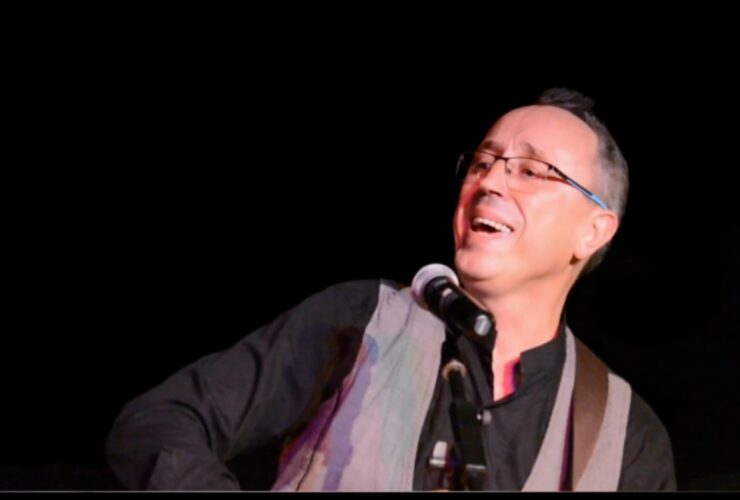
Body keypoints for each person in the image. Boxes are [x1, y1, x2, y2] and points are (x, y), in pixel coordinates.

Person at [105, 88, 676, 491]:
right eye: (483, 162)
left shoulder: (627, 434)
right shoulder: (362, 321)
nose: (490, 182)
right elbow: (160, 421)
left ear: (593, 231)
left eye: (530, 171)